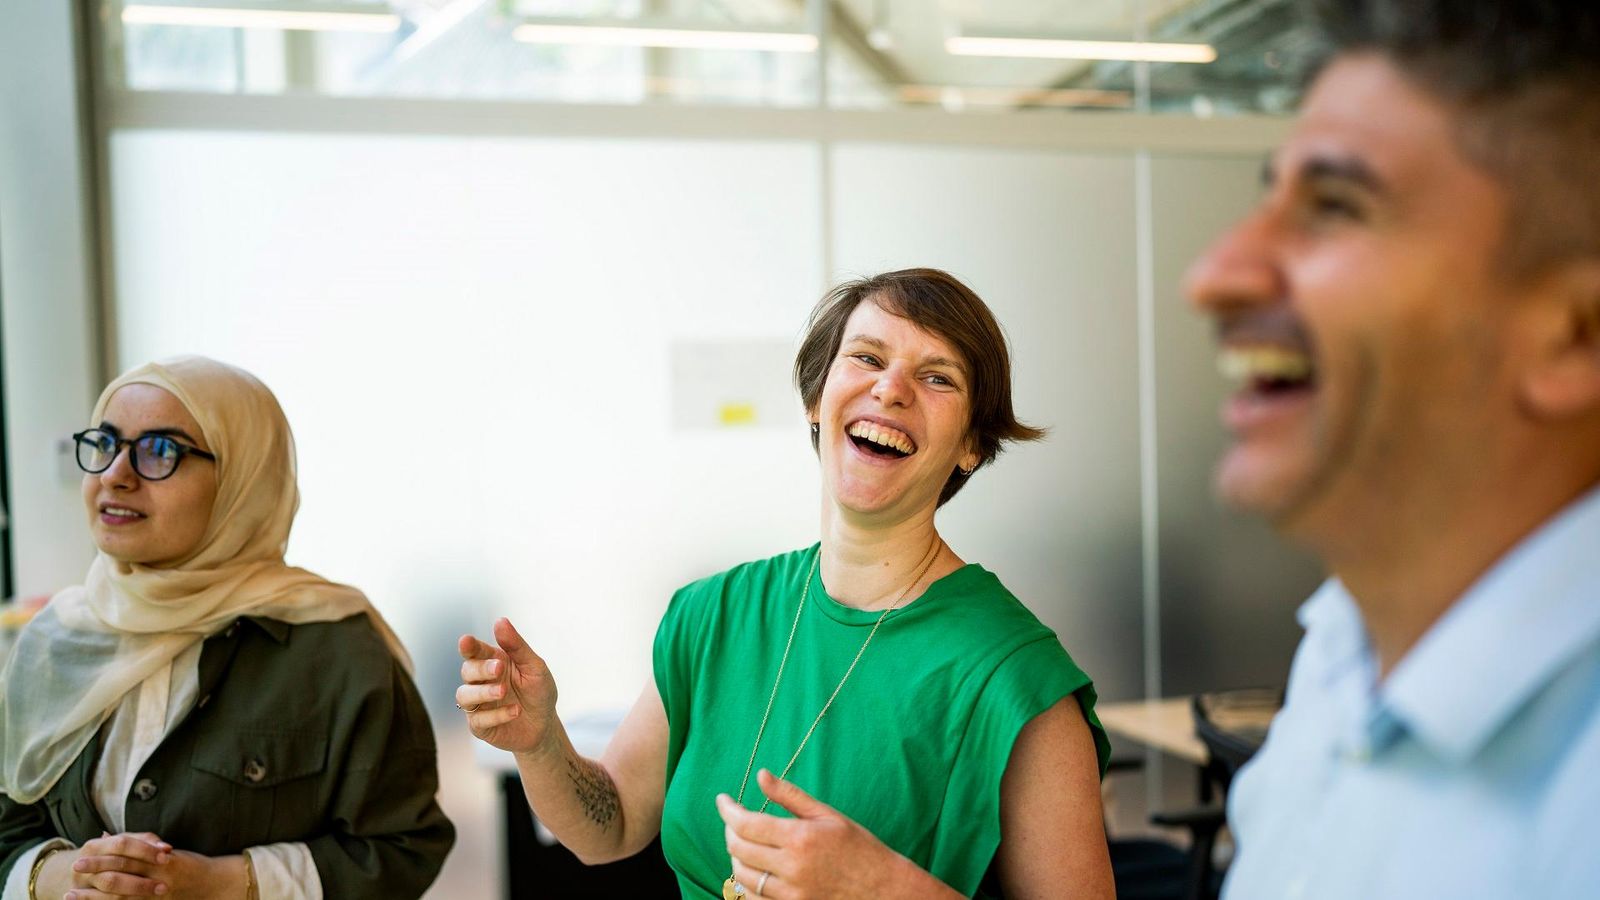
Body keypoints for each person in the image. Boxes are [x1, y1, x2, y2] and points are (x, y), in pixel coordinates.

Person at [458, 269, 1114, 899]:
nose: (891, 389)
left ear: (972, 443)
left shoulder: (1016, 683)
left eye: (936, 375)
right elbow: (613, 826)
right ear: (814, 399)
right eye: (866, 357)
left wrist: (883, 890)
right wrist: (540, 742)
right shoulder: (711, 616)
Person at [1183, 0, 1600, 896]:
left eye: (1336, 206)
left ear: (1575, 336)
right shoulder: (1341, 652)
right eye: (1270, 197)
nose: (1214, 276)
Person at [0, 356, 454, 899]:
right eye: (105, 443)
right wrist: (60, 881)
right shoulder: (54, 640)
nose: (115, 475)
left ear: (243, 481)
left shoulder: (337, 647)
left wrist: (219, 884)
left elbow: (401, 848)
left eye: (160, 451)